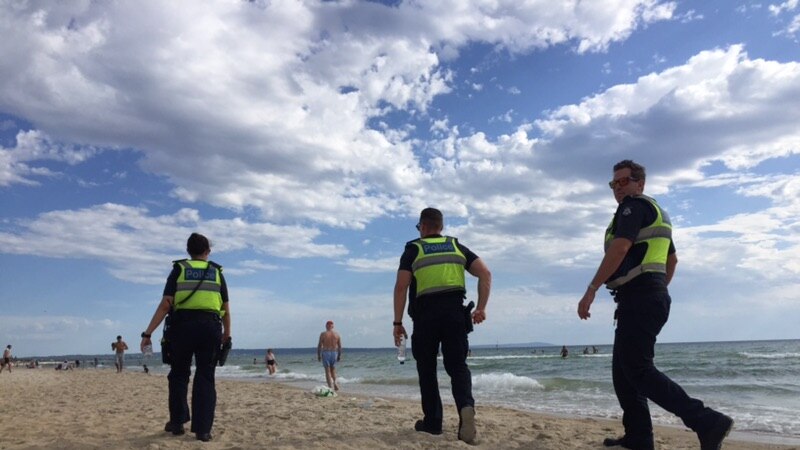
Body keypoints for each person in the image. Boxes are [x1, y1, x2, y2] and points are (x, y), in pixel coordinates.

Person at [577, 160, 733, 450]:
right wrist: (658, 287)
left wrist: (591, 289)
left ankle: (706, 421)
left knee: (638, 370)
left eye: (624, 181)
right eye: (614, 184)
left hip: (641, 297)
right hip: (646, 296)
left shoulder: (633, 207)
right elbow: (671, 260)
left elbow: (620, 247)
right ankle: (639, 436)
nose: (618, 188)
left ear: (640, 183)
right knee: (624, 375)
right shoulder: (657, 213)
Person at [393, 207, 492, 445]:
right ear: (441, 227)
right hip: (456, 314)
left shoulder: (414, 249)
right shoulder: (456, 246)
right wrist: (481, 307)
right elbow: (485, 273)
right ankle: (466, 408)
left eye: (419, 227)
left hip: (426, 316)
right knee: (457, 367)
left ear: (423, 227)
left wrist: (397, 322)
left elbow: (401, 286)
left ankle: (433, 422)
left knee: (427, 369)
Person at [140, 232, 231, 442]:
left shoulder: (179, 270)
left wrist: (148, 333)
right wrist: (227, 334)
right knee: (205, 377)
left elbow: (165, 305)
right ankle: (203, 430)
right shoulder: (216, 272)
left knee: (179, 374)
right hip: (210, 328)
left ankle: (178, 422)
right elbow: (226, 308)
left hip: (182, 327)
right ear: (207, 251)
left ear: (188, 251)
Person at [317, 321, 342, 390]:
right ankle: (335, 383)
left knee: (327, 370)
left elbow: (319, 345)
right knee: (333, 370)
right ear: (332, 326)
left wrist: (318, 355)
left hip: (326, 352)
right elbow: (340, 346)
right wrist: (339, 355)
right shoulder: (337, 334)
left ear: (326, 326)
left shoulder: (323, 334)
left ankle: (330, 387)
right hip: (334, 352)